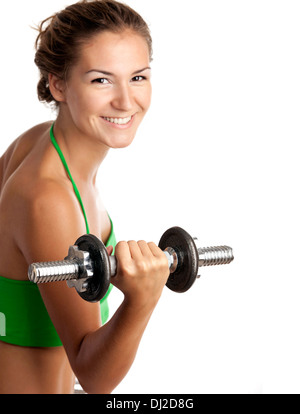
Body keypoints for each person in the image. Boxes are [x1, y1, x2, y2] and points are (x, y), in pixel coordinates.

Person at [0, 0, 169, 394]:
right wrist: (142, 299)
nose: (126, 102)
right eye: (101, 80)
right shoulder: (48, 197)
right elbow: (95, 376)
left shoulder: (39, 141)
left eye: (138, 77)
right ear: (58, 84)